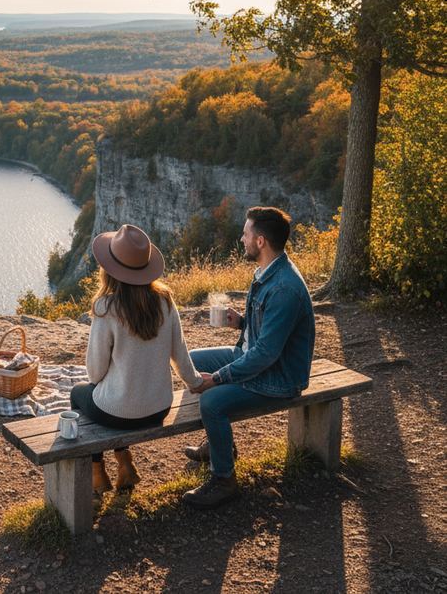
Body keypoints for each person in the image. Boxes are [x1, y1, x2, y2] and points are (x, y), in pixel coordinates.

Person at [182, 206, 316, 509]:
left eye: (246, 233)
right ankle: (220, 446)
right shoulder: (269, 272)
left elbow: (266, 354)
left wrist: (218, 379)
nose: (241, 237)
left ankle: (224, 479)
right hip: (260, 358)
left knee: (211, 402)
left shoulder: (284, 288)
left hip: (278, 378)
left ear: (260, 242)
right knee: (192, 361)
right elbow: (266, 335)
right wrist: (241, 322)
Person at [70, 224, 203, 494]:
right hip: (159, 408)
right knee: (114, 398)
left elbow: (95, 374)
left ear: (109, 269)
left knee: (77, 394)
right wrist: (196, 382)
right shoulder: (165, 301)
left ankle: (98, 472)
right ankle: (125, 465)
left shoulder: (106, 308)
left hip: (117, 413)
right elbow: (180, 354)